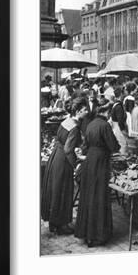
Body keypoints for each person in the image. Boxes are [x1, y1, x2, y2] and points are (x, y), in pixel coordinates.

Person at [74, 99, 120, 247]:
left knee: (88, 197)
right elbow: (113, 146)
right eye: (108, 112)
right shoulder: (105, 125)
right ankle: (99, 235)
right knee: (100, 196)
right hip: (100, 162)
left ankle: (87, 233)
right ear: (105, 112)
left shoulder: (90, 124)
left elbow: (85, 146)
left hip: (89, 162)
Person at [41, 98, 88, 235]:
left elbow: (61, 141)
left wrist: (75, 154)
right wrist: (75, 164)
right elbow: (68, 149)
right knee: (63, 191)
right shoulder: (74, 127)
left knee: (55, 191)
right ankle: (61, 225)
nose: (86, 112)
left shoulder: (66, 121)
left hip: (56, 156)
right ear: (78, 111)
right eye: (85, 110)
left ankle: (53, 223)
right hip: (63, 161)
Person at [110, 86, 128, 155]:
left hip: (116, 129)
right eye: (124, 92)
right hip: (119, 130)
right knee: (123, 147)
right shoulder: (119, 107)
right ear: (121, 94)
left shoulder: (116, 104)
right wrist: (125, 133)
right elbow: (120, 122)